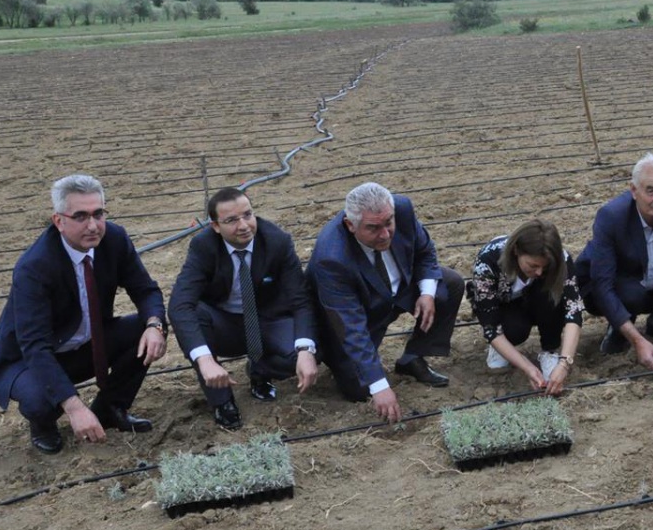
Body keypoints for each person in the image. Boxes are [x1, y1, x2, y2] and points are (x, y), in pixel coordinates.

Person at [0, 174, 167, 454]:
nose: (93, 225)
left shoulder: (115, 239)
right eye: (81, 216)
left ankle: (110, 409)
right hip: (29, 358)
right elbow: (34, 345)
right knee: (38, 399)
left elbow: (146, 290)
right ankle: (43, 423)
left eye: (98, 214)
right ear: (59, 221)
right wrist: (74, 407)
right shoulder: (35, 267)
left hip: (85, 342)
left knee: (142, 332)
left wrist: (155, 325)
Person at [307, 181, 465, 423]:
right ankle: (336, 359)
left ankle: (413, 357)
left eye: (388, 223)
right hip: (359, 310)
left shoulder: (401, 209)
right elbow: (351, 327)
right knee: (359, 389)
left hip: (397, 288)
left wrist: (426, 293)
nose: (385, 234)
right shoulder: (332, 258)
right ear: (351, 225)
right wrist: (379, 385)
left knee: (449, 284)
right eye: (373, 228)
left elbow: (425, 251)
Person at [168, 187, 319, 430]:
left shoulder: (277, 241)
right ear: (215, 226)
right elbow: (179, 305)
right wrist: (205, 359)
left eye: (248, 215)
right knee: (195, 314)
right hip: (224, 322)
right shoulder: (204, 246)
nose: (244, 225)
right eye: (231, 220)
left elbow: (300, 299)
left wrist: (305, 349)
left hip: (267, 319)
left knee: (306, 352)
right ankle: (222, 400)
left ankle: (260, 370)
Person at [575, 153, 653, 370]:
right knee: (632, 294)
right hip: (614, 285)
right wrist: (637, 340)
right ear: (634, 190)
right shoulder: (611, 217)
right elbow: (602, 285)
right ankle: (619, 327)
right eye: (651, 191)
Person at [469, 219, 583, 395]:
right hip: (506, 305)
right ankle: (503, 348)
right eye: (533, 266)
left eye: (544, 267)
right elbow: (490, 327)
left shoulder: (561, 259)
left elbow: (573, 312)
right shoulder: (487, 261)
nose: (538, 272)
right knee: (515, 330)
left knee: (552, 296)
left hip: (539, 300)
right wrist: (527, 367)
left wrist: (564, 363)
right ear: (516, 251)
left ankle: (549, 350)